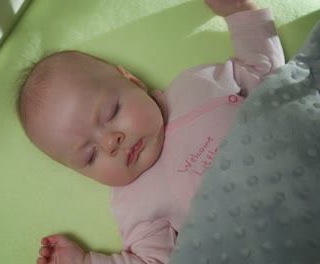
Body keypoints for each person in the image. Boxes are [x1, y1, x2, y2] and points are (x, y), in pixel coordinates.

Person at [17, 0, 285, 263]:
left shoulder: (195, 86)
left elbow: (267, 76)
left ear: (133, 82)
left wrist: (241, 13)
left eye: (111, 114)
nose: (111, 142)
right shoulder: (133, 203)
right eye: (89, 156)